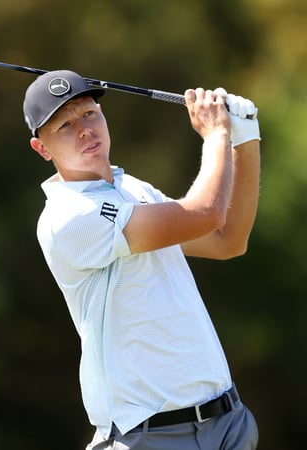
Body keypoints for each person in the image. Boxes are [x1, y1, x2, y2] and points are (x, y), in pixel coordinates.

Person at [23, 70, 260, 449]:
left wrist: (244, 139)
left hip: (227, 422)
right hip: (151, 436)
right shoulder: (68, 217)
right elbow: (205, 213)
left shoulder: (133, 189)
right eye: (64, 125)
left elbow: (227, 239)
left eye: (89, 113)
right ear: (42, 149)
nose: (84, 129)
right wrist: (217, 135)